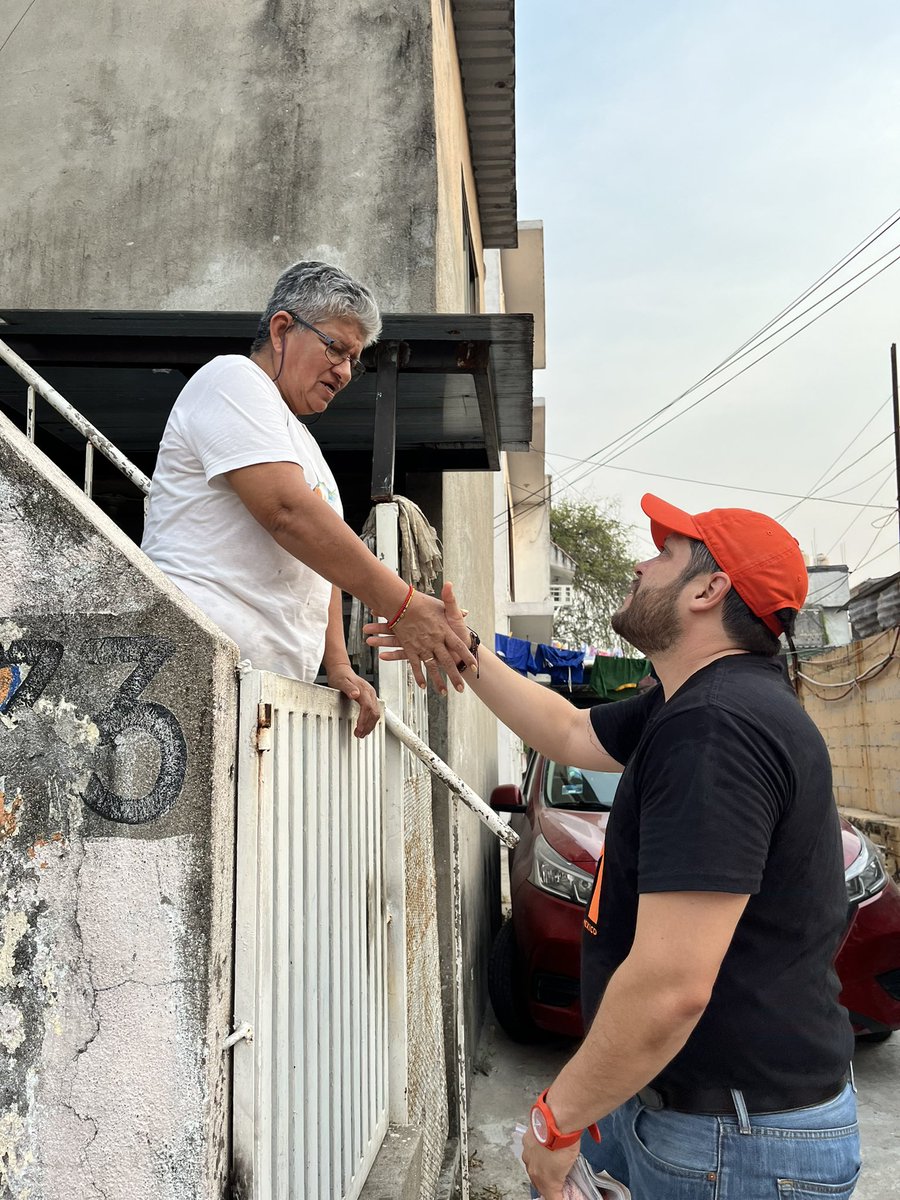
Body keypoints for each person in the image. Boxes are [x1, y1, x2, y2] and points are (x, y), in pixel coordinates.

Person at [368, 493, 860, 1199]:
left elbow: (672, 985)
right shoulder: (693, 702)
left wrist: (555, 1123)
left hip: (736, 1144)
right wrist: (464, 651)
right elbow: (568, 732)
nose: (639, 563)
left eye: (664, 554)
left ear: (708, 589)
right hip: (710, 1122)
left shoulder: (717, 728)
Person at [142, 260, 474, 735]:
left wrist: (337, 665)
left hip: (256, 685)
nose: (343, 372)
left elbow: (321, 559)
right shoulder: (232, 379)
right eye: (336, 349)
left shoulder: (300, 441)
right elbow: (286, 512)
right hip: (194, 666)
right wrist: (401, 605)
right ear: (282, 329)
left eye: (352, 362)